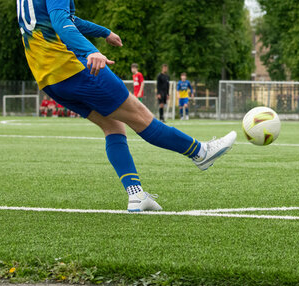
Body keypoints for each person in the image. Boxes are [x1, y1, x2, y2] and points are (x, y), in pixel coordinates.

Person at [17, 0, 236, 212]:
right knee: (141, 117)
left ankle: (136, 194)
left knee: (113, 127)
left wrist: (103, 31)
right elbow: (59, 19)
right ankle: (200, 152)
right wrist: (89, 50)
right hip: (75, 68)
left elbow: (62, 19)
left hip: (50, 79)